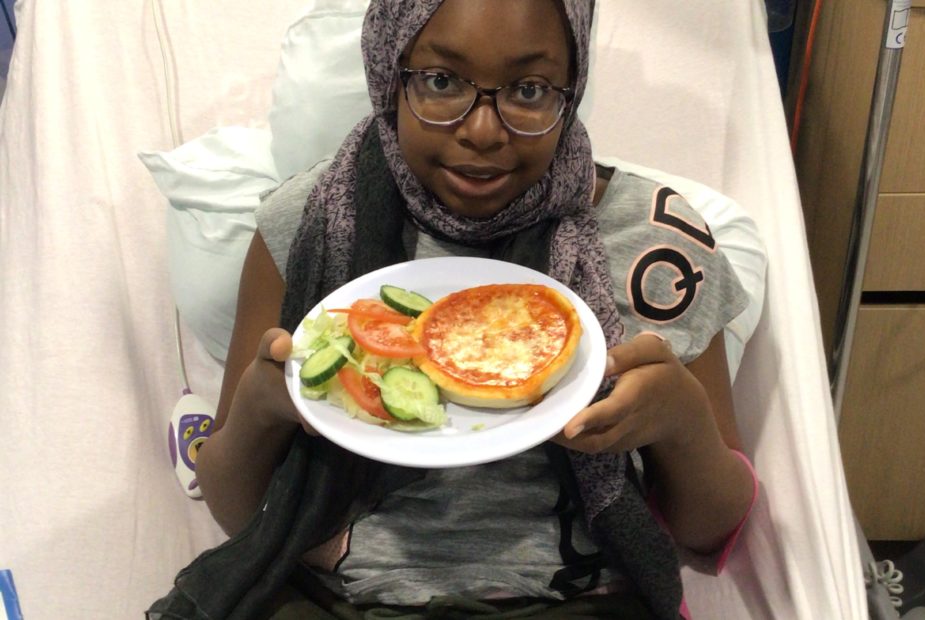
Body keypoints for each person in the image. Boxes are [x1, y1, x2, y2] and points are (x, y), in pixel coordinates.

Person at [150, 1, 757, 618]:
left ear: (569, 91)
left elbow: (709, 530)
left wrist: (682, 422)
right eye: (441, 82)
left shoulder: (658, 246)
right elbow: (236, 510)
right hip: (333, 600)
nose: (484, 131)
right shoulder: (304, 229)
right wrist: (261, 402)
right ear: (390, 74)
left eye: (528, 89)